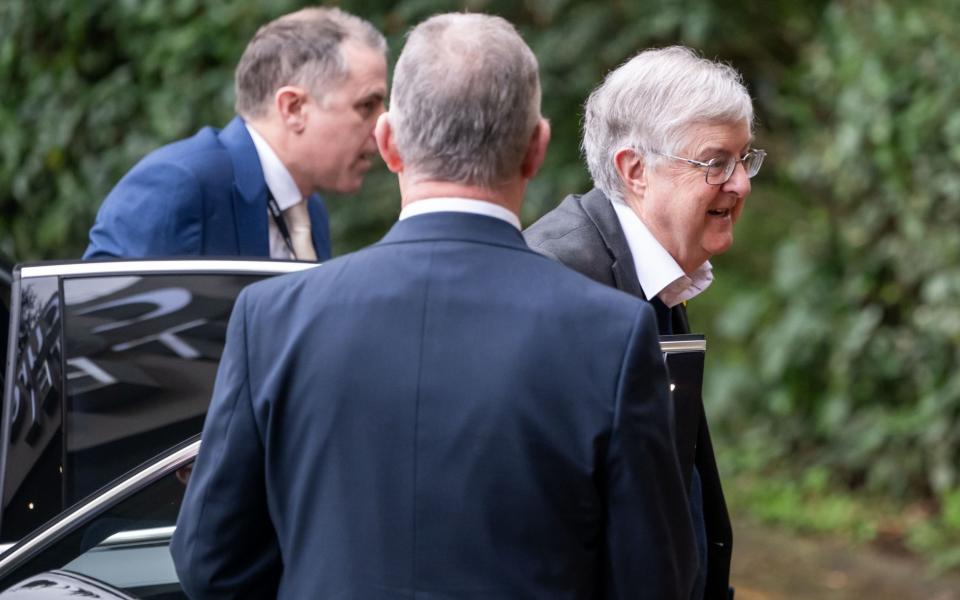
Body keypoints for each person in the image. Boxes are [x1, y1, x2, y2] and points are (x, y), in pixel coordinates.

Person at [170, 13, 697, 599]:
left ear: (389, 141)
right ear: (536, 148)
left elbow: (210, 564)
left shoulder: (270, 319)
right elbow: (653, 582)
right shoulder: (614, 335)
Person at [524, 46, 766, 600]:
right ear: (634, 170)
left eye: (744, 159)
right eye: (715, 162)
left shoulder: (655, 271)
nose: (740, 184)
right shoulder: (562, 283)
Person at [83, 7, 387, 261]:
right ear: (293, 108)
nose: (384, 125)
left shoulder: (311, 212)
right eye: (367, 106)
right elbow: (98, 323)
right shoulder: (179, 185)